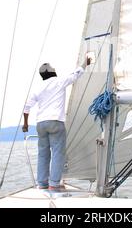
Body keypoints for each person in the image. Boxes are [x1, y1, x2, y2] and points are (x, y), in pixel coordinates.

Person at [22, 56, 91, 190]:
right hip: (55, 122)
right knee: (58, 153)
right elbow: (76, 74)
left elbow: (26, 107)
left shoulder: (38, 88)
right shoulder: (59, 81)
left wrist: (25, 124)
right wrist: (85, 63)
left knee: (43, 154)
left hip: (41, 124)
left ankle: (42, 184)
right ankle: (54, 184)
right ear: (51, 72)